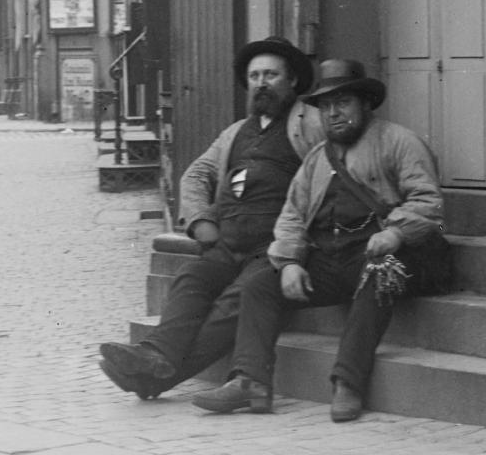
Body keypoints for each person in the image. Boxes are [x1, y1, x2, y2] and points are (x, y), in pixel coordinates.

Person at [195, 59, 447, 423]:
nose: (333, 113)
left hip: (392, 253)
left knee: (379, 272)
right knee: (259, 284)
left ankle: (348, 382)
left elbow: (428, 201)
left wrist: (394, 232)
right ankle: (251, 381)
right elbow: (292, 214)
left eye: (343, 103)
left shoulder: (398, 142)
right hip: (332, 256)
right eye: (326, 106)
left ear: (365, 104)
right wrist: (289, 262)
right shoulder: (316, 157)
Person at [95, 37, 323, 400]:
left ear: (292, 80)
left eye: (271, 75)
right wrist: (202, 221)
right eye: (255, 76)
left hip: (274, 248)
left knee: (235, 301)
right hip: (228, 242)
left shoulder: (311, 123)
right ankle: (156, 353)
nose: (261, 83)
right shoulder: (236, 132)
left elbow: (329, 178)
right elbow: (196, 174)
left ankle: (155, 378)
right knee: (192, 277)